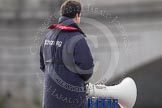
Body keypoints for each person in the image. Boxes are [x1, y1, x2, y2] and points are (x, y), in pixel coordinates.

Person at [40, 0, 94, 108]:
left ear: (62, 14)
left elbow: (43, 66)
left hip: (49, 101)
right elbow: (87, 69)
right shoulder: (77, 38)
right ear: (77, 15)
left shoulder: (48, 36)